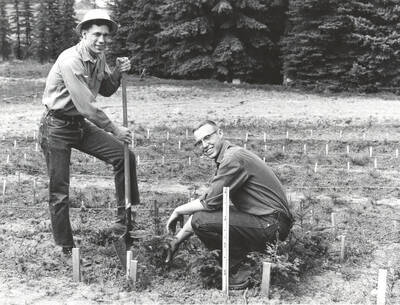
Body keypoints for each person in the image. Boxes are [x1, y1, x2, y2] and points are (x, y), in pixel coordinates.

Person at [38, 9, 140, 257]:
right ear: (84, 34)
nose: (102, 40)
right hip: (57, 127)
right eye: (96, 34)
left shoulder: (99, 56)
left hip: (79, 125)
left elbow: (105, 89)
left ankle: (123, 221)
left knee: (124, 156)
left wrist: (117, 71)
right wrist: (115, 129)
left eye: (106, 35)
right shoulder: (70, 60)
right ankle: (66, 246)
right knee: (60, 191)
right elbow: (86, 105)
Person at [164, 120, 294, 289]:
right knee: (202, 217)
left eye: (208, 137)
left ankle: (239, 271)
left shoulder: (233, 158)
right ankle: (247, 262)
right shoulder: (230, 156)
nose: (204, 145)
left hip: (271, 224)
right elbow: (212, 201)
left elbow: (208, 204)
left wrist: (178, 210)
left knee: (200, 221)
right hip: (269, 221)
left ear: (220, 133)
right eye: (199, 142)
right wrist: (177, 240)